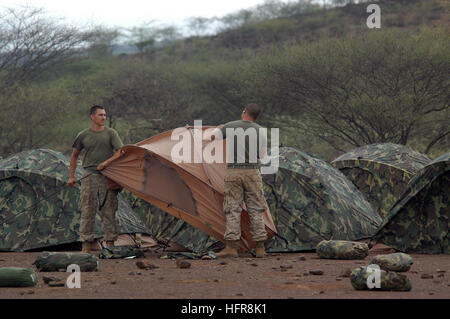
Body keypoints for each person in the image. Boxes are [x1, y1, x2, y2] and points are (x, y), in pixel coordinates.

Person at [67, 105, 124, 254]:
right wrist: (71, 176)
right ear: (92, 117)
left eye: (105, 115)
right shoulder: (83, 135)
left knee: (109, 210)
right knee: (87, 210)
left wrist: (106, 163)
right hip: (88, 176)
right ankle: (86, 246)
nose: (103, 117)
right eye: (100, 115)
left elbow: (120, 152)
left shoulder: (111, 133)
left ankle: (110, 246)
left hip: (107, 176)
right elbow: (74, 155)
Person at [215, 103, 268, 258]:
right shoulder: (261, 131)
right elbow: (262, 155)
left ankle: (231, 247)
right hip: (253, 173)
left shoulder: (230, 126)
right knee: (256, 209)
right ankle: (260, 248)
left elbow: (212, 137)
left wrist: (219, 129)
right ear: (256, 116)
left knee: (232, 208)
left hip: (234, 172)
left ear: (244, 111)